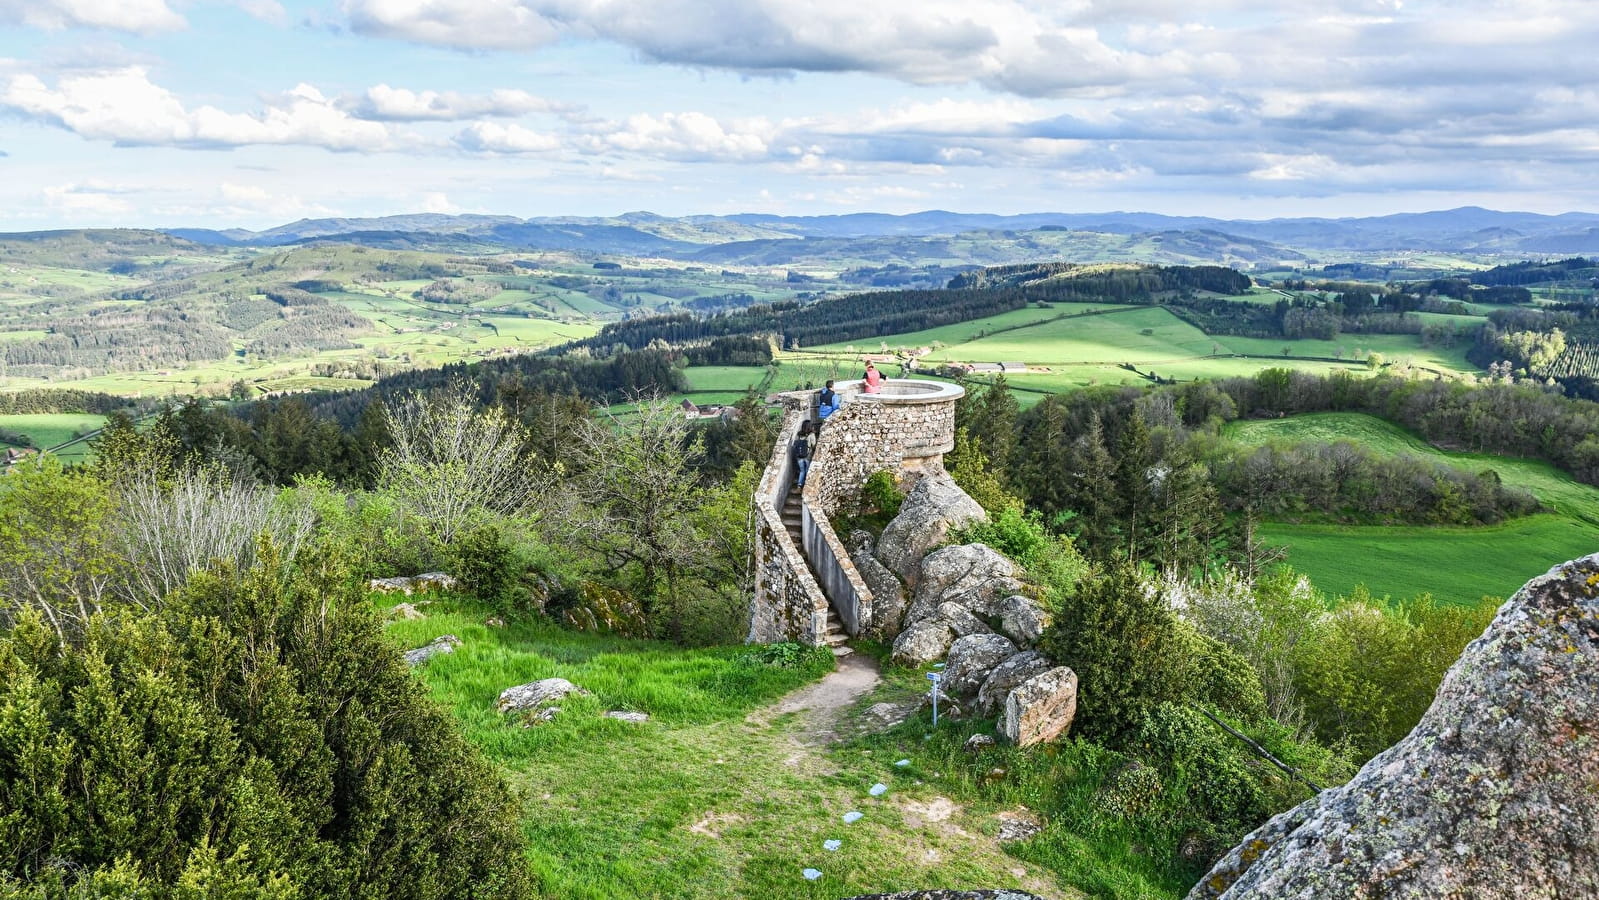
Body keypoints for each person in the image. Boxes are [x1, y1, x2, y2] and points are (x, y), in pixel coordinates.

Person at [792, 420, 814, 487]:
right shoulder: (811, 435)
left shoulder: (799, 434)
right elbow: (813, 444)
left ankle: (799, 485)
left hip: (799, 456)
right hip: (807, 456)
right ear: (810, 427)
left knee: (802, 471)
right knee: (807, 470)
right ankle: (806, 484)